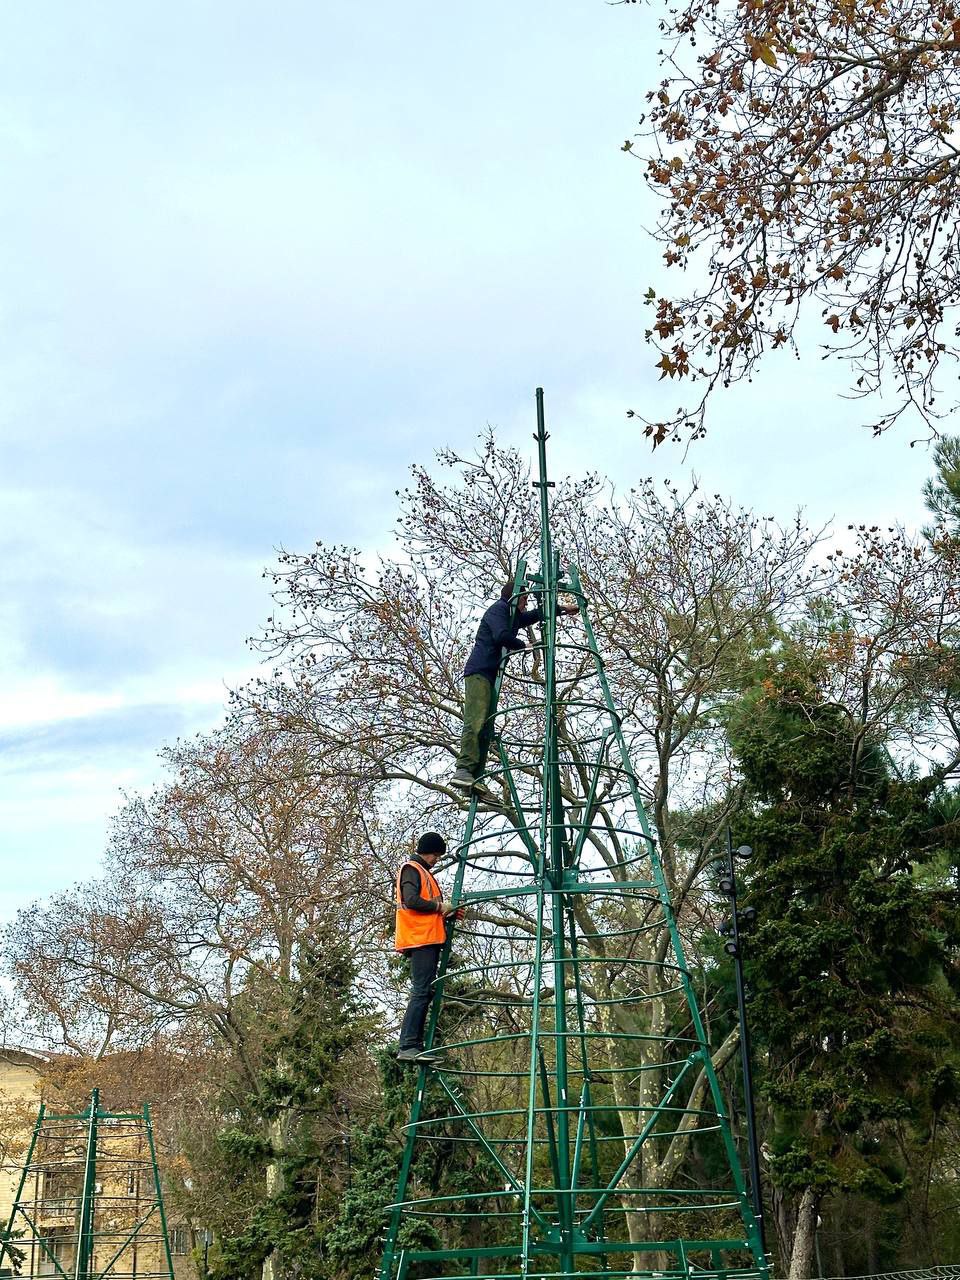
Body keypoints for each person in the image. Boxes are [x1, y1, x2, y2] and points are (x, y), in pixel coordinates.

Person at [450, 581, 578, 795]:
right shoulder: (498, 610)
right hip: (480, 671)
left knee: (485, 727)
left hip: (489, 674)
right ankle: (463, 770)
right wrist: (524, 646)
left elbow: (537, 614)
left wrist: (563, 609)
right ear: (514, 597)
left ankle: (471, 780)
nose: (526, 603)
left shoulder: (513, 616)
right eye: (524, 599)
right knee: (475, 720)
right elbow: (501, 636)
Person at [395, 831, 460, 1064]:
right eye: (436, 855)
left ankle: (415, 1044)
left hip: (428, 938)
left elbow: (431, 907)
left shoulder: (425, 874)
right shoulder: (412, 868)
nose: (436, 859)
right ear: (428, 851)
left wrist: (448, 913)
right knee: (421, 990)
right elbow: (411, 900)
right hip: (419, 938)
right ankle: (408, 1045)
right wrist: (439, 907)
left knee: (426, 991)